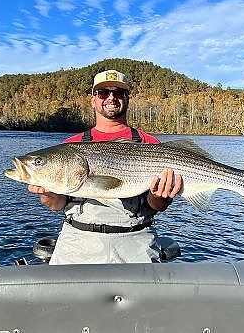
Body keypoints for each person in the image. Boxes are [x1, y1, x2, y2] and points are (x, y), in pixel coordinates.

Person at [28, 69, 182, 265]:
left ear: (127, 99)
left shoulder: (150, 144)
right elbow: (57, 205)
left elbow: (157, 206)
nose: (111, 98)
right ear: (93, 100)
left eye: (118, 93)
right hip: (77, 242)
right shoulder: (70, 146)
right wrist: (48, 193)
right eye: (103, 93)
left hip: (136, 242)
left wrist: (160, 196)